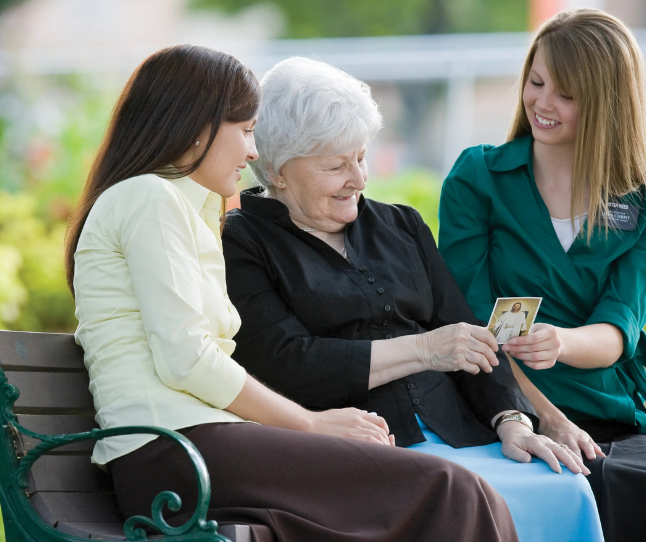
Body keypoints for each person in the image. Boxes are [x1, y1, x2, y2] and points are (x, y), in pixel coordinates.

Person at [66, 44, 522, 542]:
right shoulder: (150, 197)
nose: (253, 152)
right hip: (176, 453)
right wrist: (310, 424)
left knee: (452, 494)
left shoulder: (186, 208)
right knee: (451, 490)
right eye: (245, 131)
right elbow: (188, 360)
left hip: (202, 446)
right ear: (198, 127)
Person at [222, 56, 603, 542]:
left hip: (463, 434)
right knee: (461, 502)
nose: (359, 179)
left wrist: (511, 420)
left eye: (361, 157)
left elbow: (466, 333)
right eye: (336, 166)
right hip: (362, 446)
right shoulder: (242, 241)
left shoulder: (401, 224)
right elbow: (286, 362)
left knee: (566, 489)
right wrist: (424, 349)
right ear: (277, 170)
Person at [438, 8, 646, 542]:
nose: (542, 103)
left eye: (567, 94)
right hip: (495, 397)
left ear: (608, 104)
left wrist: (560, 342)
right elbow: (468, 321)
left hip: (601, 402)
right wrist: (544, 416)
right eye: (536, 83)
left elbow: (619, 329)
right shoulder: (478, 178)